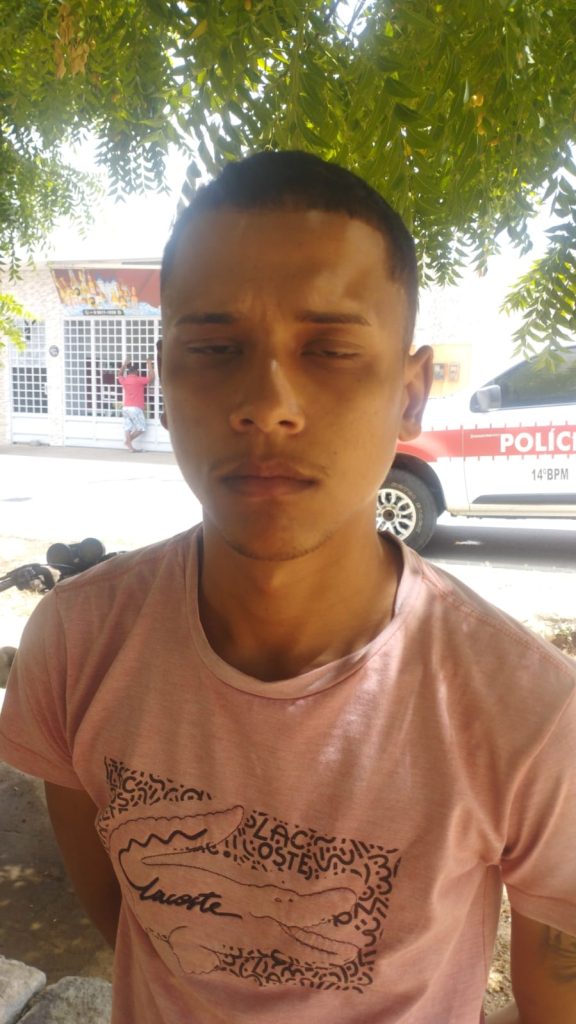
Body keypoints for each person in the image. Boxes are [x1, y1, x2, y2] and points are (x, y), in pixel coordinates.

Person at [1, 151, 575, 1024]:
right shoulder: (78, 642)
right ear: (164, 377)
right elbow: (126, 916)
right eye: (215, 348)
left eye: (330, 350)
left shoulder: (528, 711)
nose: (267, 404)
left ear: (411, 394)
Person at [117, 357, 155, 451]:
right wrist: (149, 364)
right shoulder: (139, 380)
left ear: (128, 372)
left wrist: (124, 364)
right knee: (141, 428)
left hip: (126, 407)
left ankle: (130, 446)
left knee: (127, 427)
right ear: (136, 372)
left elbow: (119, 374)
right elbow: (151, 378)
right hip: (135, 408)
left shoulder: (124, 380)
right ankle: (128, 442)